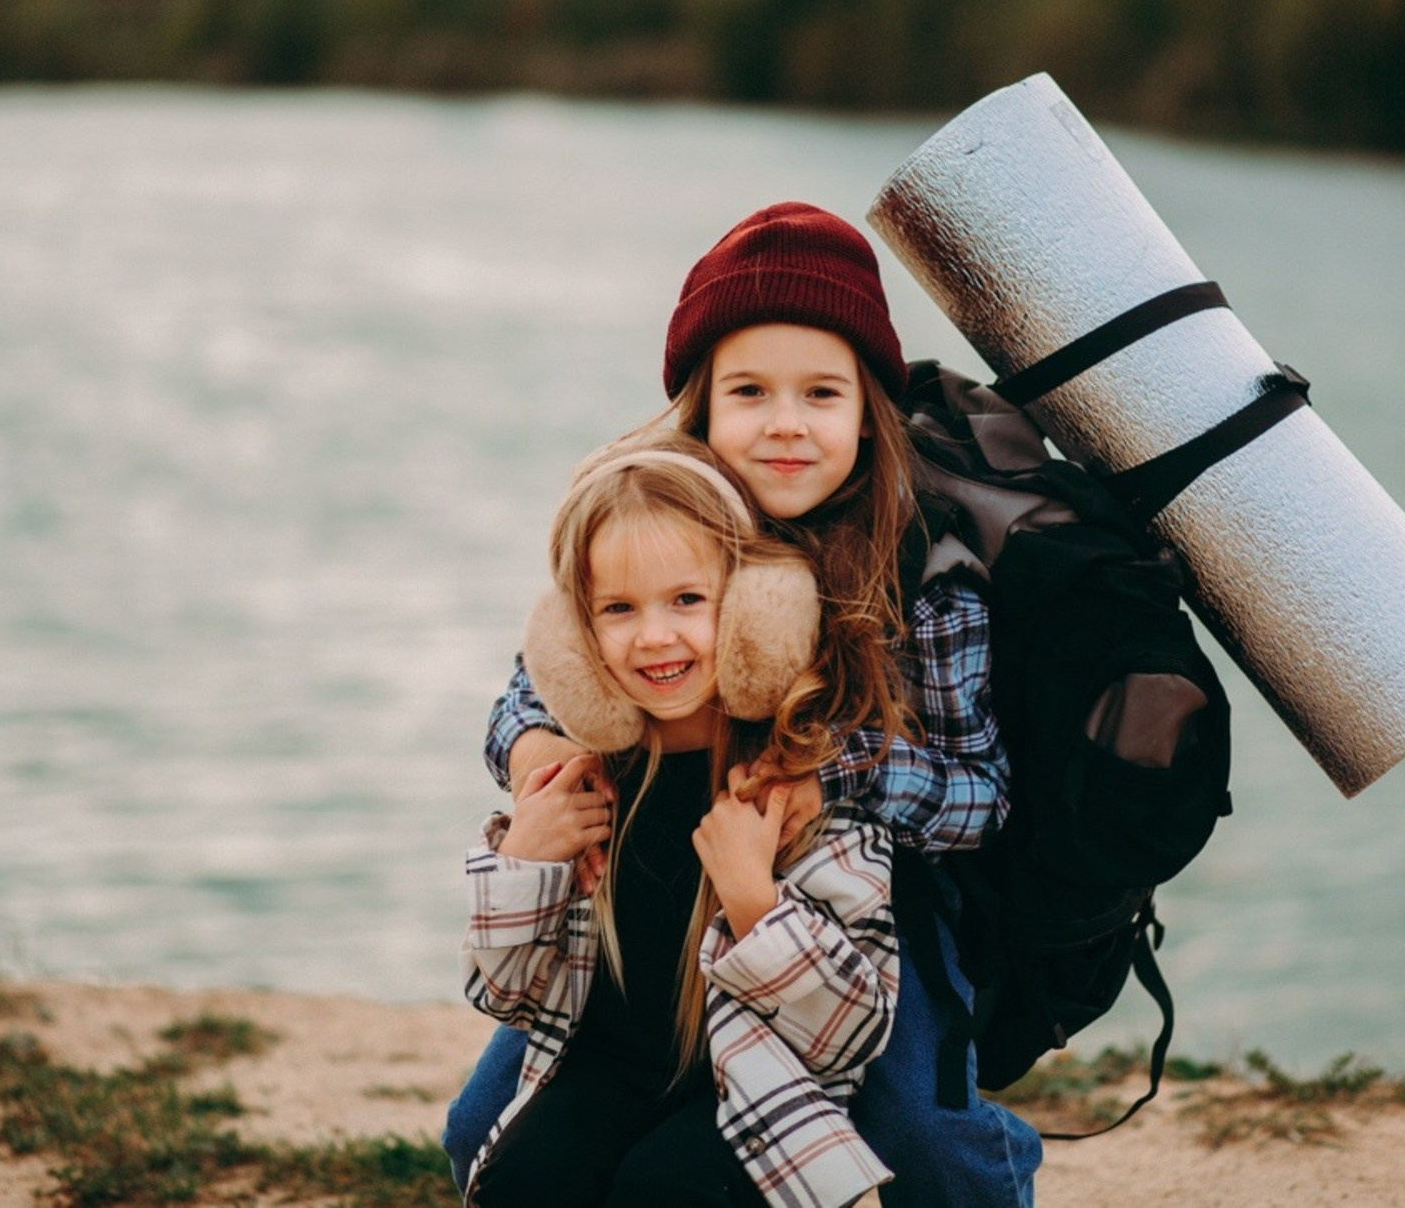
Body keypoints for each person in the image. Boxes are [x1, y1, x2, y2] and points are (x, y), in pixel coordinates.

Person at [447, 203, 1042, 1206]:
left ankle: (994, 1172)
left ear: (867, 409)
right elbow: (539, 676)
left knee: (912, 1142)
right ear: (701, 407)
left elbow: (979, 796)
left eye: (820, 392)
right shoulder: (657, 513)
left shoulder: (925, 572)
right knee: (482, 1134)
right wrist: (534, 754)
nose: (782, 423)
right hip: (664, 878)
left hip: (866, 895)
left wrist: (828, 769)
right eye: (748, 391)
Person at [461, 435, 898, 1208]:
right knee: (521, 1179)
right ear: (575, 632)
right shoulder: (583, 783)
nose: (654, 635)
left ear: (753, 610)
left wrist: (755, 901)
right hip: (604, 1077)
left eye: (686, 600)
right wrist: (524, 861)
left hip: (757, 1092)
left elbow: (852, 1036)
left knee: (667, 1185)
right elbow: (503, 996)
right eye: (619, 609)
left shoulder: (797, 788)